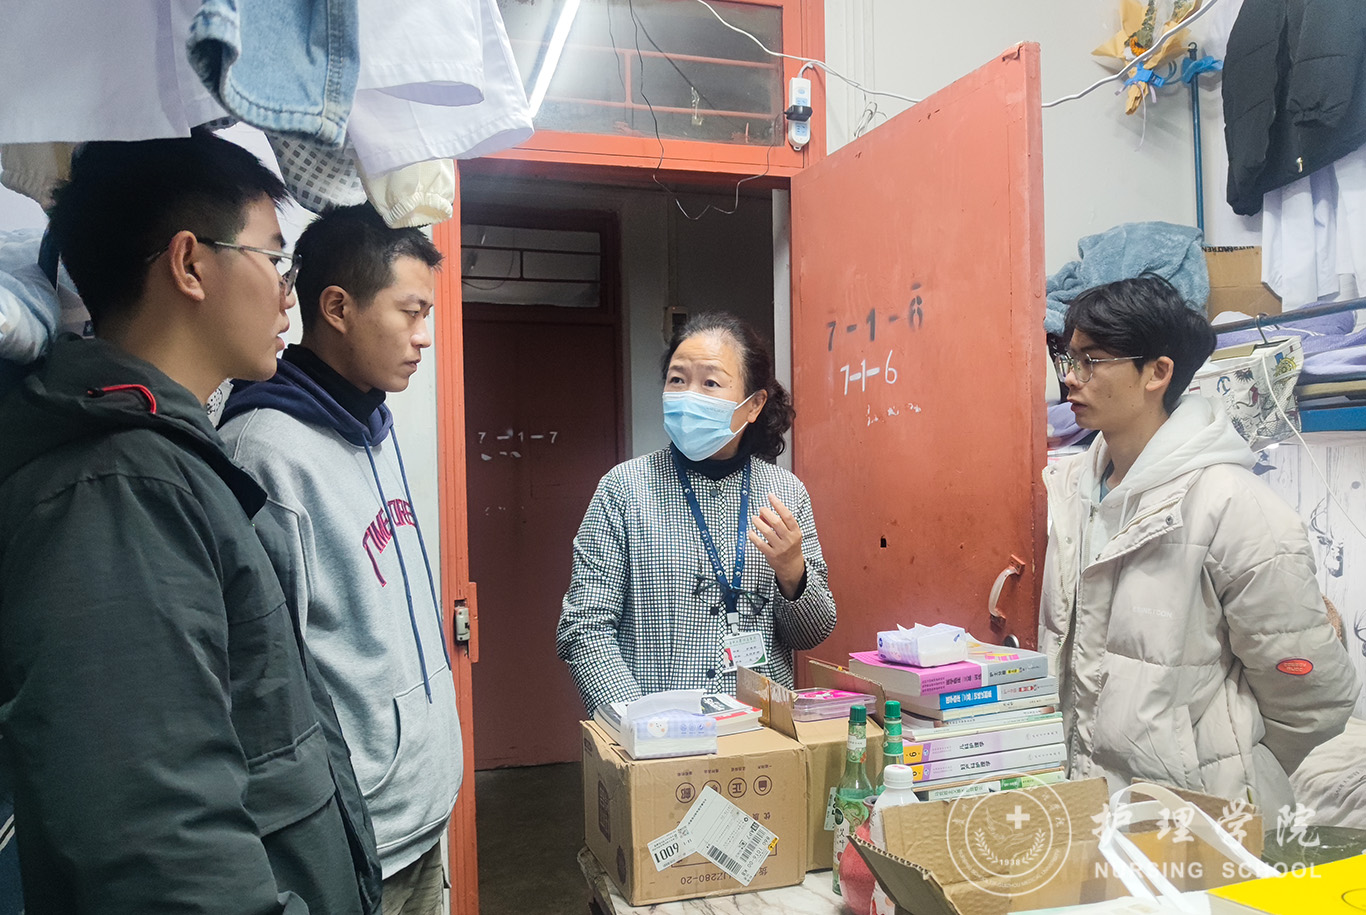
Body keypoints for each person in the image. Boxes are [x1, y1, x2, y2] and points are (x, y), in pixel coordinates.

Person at [0, 133, 380, 913]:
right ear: (189, 263)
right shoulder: (115, 489)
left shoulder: (168, 457)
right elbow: (160, 847)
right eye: (275, 259)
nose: (289, 295)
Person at [1039, 274, 1357, 813]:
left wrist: (1238, 766)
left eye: (1092, 361)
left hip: (1199, 815)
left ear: (1158, 372)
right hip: (1087, 805)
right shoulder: (1070, 491)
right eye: (1068, 358)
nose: (1070, 378)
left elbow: (1314, 698)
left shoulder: (1234, 505)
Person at [219, 204, 460, 915]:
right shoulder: (264, 452)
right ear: (336, 308)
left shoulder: (372, 424)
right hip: (355, 841)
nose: (424, 337)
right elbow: (259, 683)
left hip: (420, 817)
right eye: (411, 312)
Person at [556, 312, 837, 716]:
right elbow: (585, 625)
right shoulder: (624, 489)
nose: (689, 396)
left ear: (754, 404)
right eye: (677, 380)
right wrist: (640, 722)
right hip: (659, 734)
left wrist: (793, 572)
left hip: (763, 732)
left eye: (710, 383)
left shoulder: (785, 493)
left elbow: (809, 634)